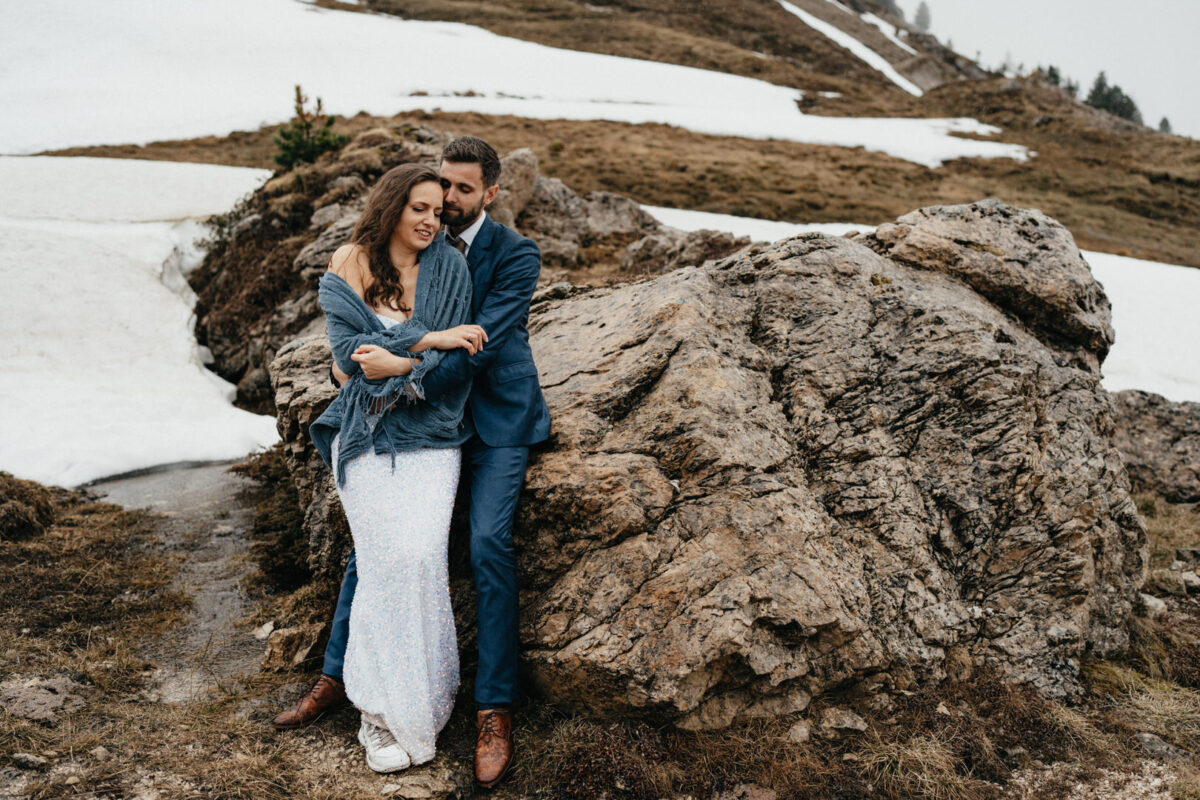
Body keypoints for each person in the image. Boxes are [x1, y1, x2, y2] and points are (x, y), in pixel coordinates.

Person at [273, 137, 551, 789]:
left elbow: (479, 348)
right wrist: (378, 358)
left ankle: (494, 710)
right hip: (409, 420)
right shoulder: (393, 252)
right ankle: (337, 679)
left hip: (493, 417)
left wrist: (402, 364)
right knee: (371, 552)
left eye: (459, 190)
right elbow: (348, 347)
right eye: (436, 191)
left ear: (490, 193)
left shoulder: (513, 253)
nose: (446, 203)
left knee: (484, 545)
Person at [305, 162, 486, 773]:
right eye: (420, 209)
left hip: (434, 437)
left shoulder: (451, 268)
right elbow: (348, 362)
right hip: (362, 437)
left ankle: (420, 703)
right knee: (385, 565)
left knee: (420, 561)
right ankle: (376, 714)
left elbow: (459, 368)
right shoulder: (348, 263)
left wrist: (404, 362)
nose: (432, 220)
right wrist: (430, 342)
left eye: (440, 211)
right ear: (392, 207)